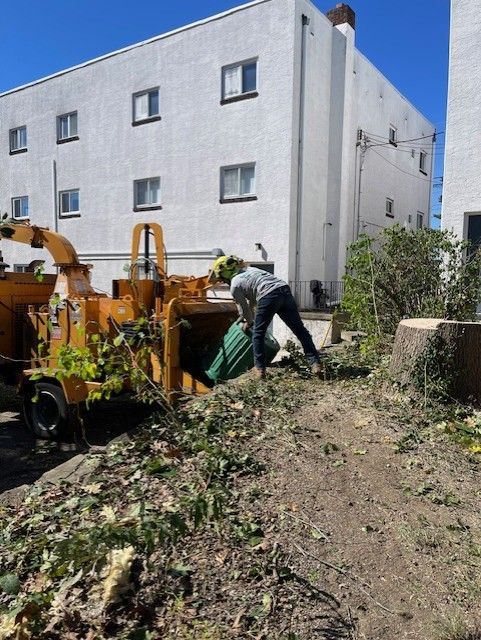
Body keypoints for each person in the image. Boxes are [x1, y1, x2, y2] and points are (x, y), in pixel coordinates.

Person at [210, 256, 322, 379]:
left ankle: (259, 370)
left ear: (225, 274)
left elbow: (244, 309)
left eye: (222, 278)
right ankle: (315, 363)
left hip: (268, 294)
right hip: (284, 290)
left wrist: (249, 322)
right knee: (299, 330)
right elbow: (253, 300)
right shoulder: (251, 270)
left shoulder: (235, 285)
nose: (223, 281)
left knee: (258, 333)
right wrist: (250, 318)